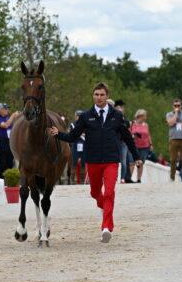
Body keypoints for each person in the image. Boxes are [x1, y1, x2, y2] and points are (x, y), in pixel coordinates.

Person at [48, 82, 142, 243]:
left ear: (107, 96)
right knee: (95, 193)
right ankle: (104, 206)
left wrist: (136, 156)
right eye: (96, 94)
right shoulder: (86, 116)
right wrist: (58, 134)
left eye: (102, 95)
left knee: (109, 192)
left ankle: (106, 227)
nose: (99, 97)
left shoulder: (117, 116)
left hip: (112, 160)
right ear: (93, 96)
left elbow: (127, 138)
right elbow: (73, 136)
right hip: (92, 161)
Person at [166, 98, 182, 181]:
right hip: (173, 138)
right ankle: (172, 177)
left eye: (178, 105)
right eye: (175, 105)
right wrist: (176, 114)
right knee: (173, 159)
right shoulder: (169, 114)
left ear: (181, 106)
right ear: (173, 106)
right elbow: (170, 123)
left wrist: (176, 123)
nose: (177, 107)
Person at [0, 103, 20, 178]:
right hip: (1, 142)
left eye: (7, 109)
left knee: (10, 162)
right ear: (0, 110)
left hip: (9, 142)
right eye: (5, 109)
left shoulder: (7, 117)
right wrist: (12, 116)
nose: (7, 110)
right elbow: (5, 125)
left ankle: (8, 179)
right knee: (2, 162)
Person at [114, 99, 134, 183]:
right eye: (120, 107)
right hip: (115, 140)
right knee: (115, 161)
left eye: (122, 107)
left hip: (123, 141)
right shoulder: (113, 116)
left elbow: (127, 124)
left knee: (124, 161)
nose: (122, 109)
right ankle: (115, 177)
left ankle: (122, 178)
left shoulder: (123, 117)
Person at [130, 109, 153, 182]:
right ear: (140, 116)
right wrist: (133, 136)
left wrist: (151, 144)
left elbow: (148, 135)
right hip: (134, 146)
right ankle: (129, 178)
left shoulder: (146, 125)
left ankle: (138, 178)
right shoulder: (132, 123)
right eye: (145, 116)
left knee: (141, 162)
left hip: (145, 147)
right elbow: (129, 134)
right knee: (132, 162)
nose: (145, 117)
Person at [69, 110, 86, 184]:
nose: (78, 117)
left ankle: (82, 180)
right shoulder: (72, 125)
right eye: (77, 116)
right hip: (75, 145)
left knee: (83, 163)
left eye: (79, 116)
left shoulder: (86, 124)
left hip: (84, 145)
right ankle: (72, 179)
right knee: (74, 162)